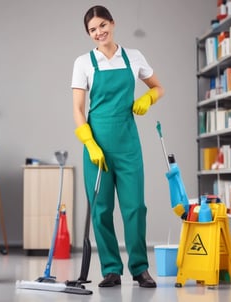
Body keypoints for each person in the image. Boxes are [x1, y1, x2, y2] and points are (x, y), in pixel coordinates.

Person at [72, 5, 164, 288]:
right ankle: (111, 269)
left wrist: (148, 99)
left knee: (135, 207)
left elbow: (158, 87)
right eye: (92, 30)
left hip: (127, 144)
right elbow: (77, 108)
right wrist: (89, 143)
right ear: (89, 34)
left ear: (112, 23)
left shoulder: (133, 56)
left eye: (102, 25)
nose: (99, 32)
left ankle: (139, 268)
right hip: (96, 145)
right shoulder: (83, 62)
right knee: (101, 209)